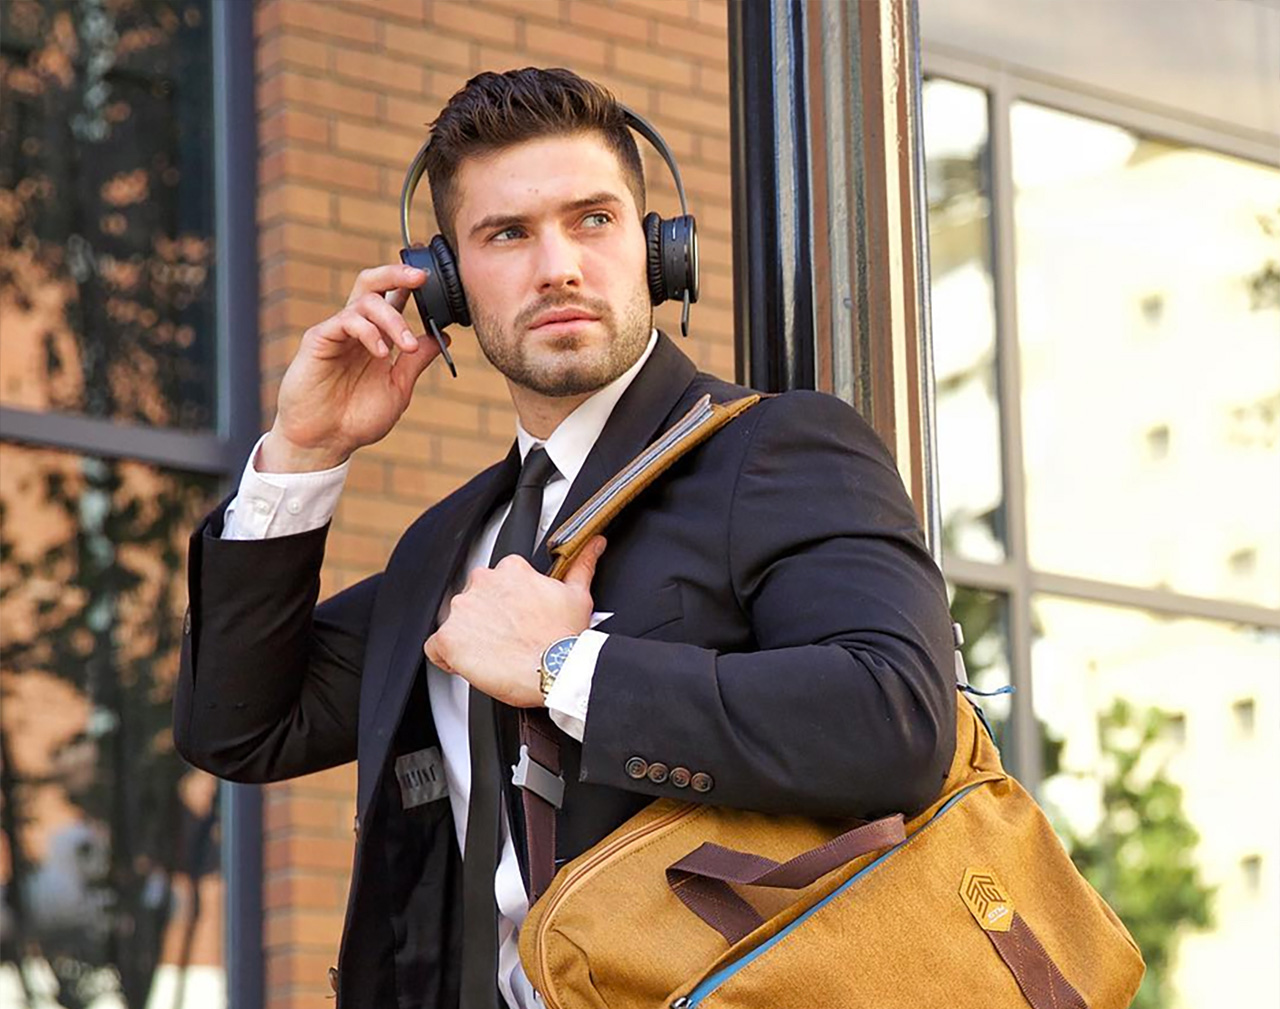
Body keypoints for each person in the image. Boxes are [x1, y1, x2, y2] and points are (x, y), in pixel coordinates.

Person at [172, 67, 956, 1009]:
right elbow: (240, 726)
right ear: (447, 288)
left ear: (660, 249)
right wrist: (305, 448)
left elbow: (898, 721)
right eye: (507, 234)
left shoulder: (776, 446)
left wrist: (563, 669)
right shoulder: (446, 546)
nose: (559, 266)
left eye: (593, 219)